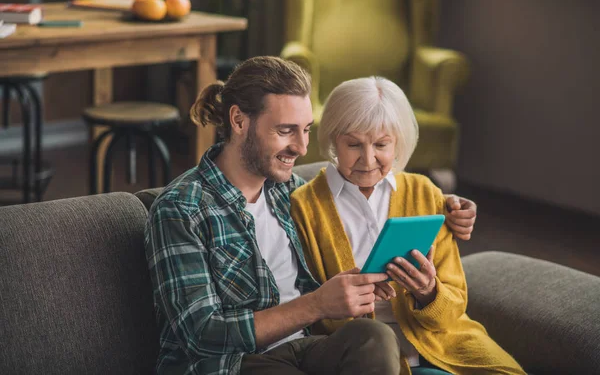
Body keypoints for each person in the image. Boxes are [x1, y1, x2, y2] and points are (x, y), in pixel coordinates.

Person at [145, 56, 477, 375]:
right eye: (286, 130)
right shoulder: (181, 208)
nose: (302, 148)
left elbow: (360, 188)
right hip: (232, 364)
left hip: (303, 349)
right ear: (239, 121)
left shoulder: (289, 192)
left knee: (374, 338)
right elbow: (201, 333)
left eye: (306, 129)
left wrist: (445, 202)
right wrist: (317, 305)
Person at [290, 76, 526, 375]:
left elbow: (454, 305)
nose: (368, 158)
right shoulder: (304, 205)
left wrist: (428, 291)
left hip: (441, 343)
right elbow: (305, 310)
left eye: (381, 144)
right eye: (353, 144)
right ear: (333, 139)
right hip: (368, 356)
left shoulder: (425, 192)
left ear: (398, 142)